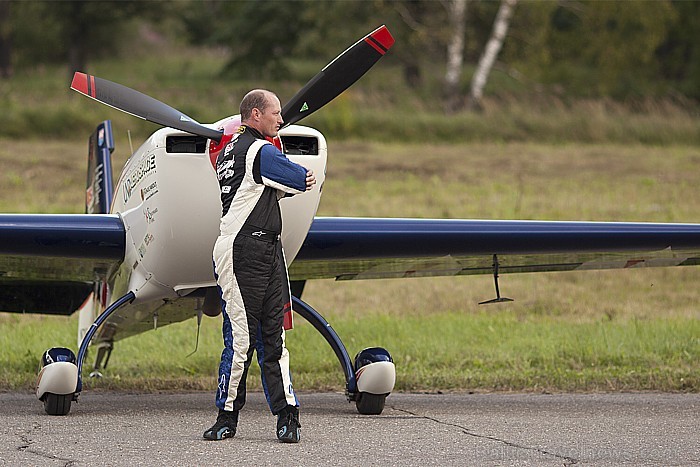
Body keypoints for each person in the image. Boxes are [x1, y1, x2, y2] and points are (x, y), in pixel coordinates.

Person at [204, 89, 316, 443]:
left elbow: (269, 187)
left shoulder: (235, 152)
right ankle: (226, 417)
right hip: (242, 252)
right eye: (275, 114)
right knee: (242, 341)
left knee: (275, 338)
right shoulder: (257, 150)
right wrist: (300, 175)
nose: (281, 121)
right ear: (255, 115)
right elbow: (300, 179)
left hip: (268, 250)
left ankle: (288, 415)